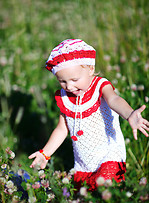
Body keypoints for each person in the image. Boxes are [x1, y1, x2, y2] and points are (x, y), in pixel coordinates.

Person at [29, 39, 149, 190]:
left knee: (106, 187)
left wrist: (130, 114)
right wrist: (45, 153)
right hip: (83, 163)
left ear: (90, 69)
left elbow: (114, 99)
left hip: (109, 155)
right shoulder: (65, 97)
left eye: (74, 79)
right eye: (63, 81)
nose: (70, 86)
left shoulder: (100, 86)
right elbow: (61, 129)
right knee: (86, 198)